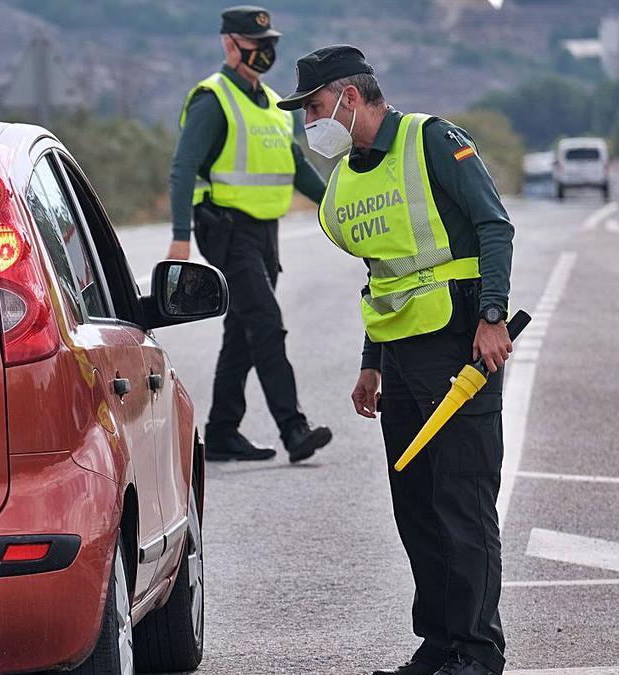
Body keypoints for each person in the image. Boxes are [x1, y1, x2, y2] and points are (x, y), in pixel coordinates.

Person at [278, 45, 515, 675]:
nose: (311, 123)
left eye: (316, 107)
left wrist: (492, 316)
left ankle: (477, 651)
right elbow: (383, 273)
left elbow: (494, 225)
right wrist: (370, 360)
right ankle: (439, 641)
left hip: (460, 343)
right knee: (414, 502)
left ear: (350, 97)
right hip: (400, 354)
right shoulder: (349, 177)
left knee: (460, 500)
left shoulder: (432, 141)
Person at [168, 4, 332, 463]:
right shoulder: (212, 98)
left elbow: (297, 166)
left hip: (264, 233)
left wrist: (338, 206)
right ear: (229, 44)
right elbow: (182, 170)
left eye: (269, 45)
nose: (264, 52)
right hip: (225, 229)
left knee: (241, 332)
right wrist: (180, 236)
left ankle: (221, 431)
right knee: (265, 324)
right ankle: (294, 429)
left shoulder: (277, 108)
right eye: (256, 45)